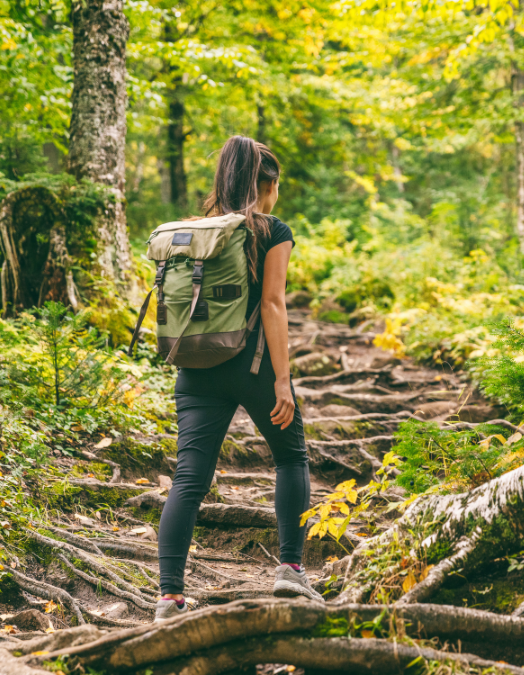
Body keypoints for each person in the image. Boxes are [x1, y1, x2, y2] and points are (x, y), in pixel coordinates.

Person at [155, 135, 323, 620]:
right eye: (276, 186)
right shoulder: (272, 229)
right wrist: (282, 380)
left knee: (188, 478)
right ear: (264, 184)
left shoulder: (194, 230)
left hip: (196, 368)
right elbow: (272, 303)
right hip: (252, 366)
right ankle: (290, 570)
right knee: (291, 457)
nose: (277, 196)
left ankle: (169, 597)